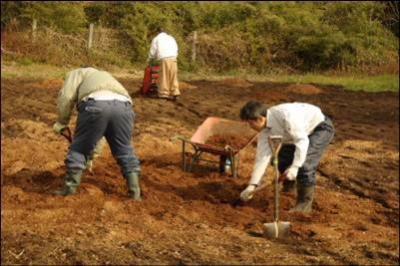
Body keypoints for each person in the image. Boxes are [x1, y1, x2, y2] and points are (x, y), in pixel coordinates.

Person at [52, 67, 142, 200]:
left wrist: (61, 121)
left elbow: (66, 96)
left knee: (79, 150)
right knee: (124, 150)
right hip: (124, 107)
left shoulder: (75, 74)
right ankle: (135, 193)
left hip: (95, 104)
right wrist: (92, 157)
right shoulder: (106, 76)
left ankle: (68, 191)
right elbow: (101, 132)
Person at [239, 100, 335, 213]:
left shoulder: (286, 116)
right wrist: (252, 185)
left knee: (304, 165)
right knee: (282, 159)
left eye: (250, 123)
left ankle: (303, 206)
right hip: (295, 135)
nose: (249, 127)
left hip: (319, 128)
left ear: (260, 119)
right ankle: (289, 189)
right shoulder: (264, 132)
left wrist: (295, 167)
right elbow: (262, 158)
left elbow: (302, 141)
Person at [147, 26, 180, 100]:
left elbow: (152, 52)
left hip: (164, 58)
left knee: (163, 76)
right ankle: (175, 93)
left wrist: (149, 60)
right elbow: (176, 48)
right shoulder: (171, 38)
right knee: (173, 76)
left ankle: (163, 94)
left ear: (157, 32)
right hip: (174, 58)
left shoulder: (156, 39)